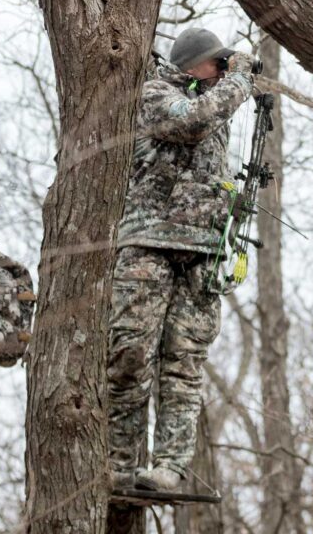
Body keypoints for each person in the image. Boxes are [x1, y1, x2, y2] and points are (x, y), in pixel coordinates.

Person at [108, 28, 255, 492]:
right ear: (196, 64)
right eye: (219, 63)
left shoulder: (214, 101)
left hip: (202, 253)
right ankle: (118, 465)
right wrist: (240, 81)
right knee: (130, 354)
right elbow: (189, 123)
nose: (224, 71)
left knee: (184, 363)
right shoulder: (156, 93)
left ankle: (169, 467)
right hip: (147, 244)